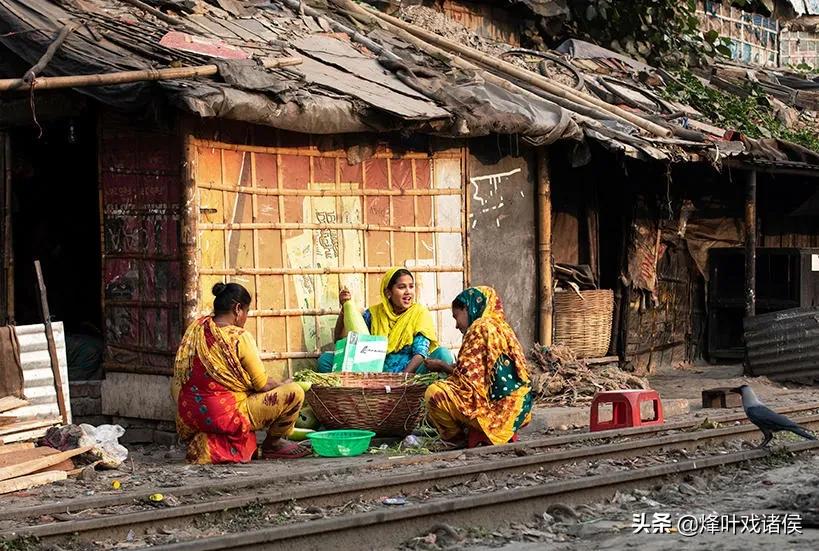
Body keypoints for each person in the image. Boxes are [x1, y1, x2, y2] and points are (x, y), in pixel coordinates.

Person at [172, 283, 309, 464]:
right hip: (223, 413)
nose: (245, 318)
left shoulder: (196, 330)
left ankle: (208, 441)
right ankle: (273, 444)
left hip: (189, 414)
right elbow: (262, 384)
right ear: (237, 309)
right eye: (246, 312)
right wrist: (284, 384)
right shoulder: (238, 337)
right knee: (295, 392)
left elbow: (180, 376)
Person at [423, 286, 533, 449]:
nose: (456, 325)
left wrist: (442, 366)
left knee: (434, 393)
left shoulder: (479, 328)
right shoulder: (503, 328)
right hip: (519, 409)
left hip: (493, 413)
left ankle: (455, 439)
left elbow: (467, 380)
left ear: (467, 308)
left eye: (456, 317)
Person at [317, 267, 454, 373]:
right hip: (376, 371)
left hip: (411, 373)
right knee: (326, 361)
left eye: (411, 286)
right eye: (401, 287)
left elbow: (420, 353)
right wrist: (344, 309)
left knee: (442, 354)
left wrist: (402, 379)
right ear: (388, 292)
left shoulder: (419, 313)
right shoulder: (374, 314)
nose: (408, 292)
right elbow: (341, 340)